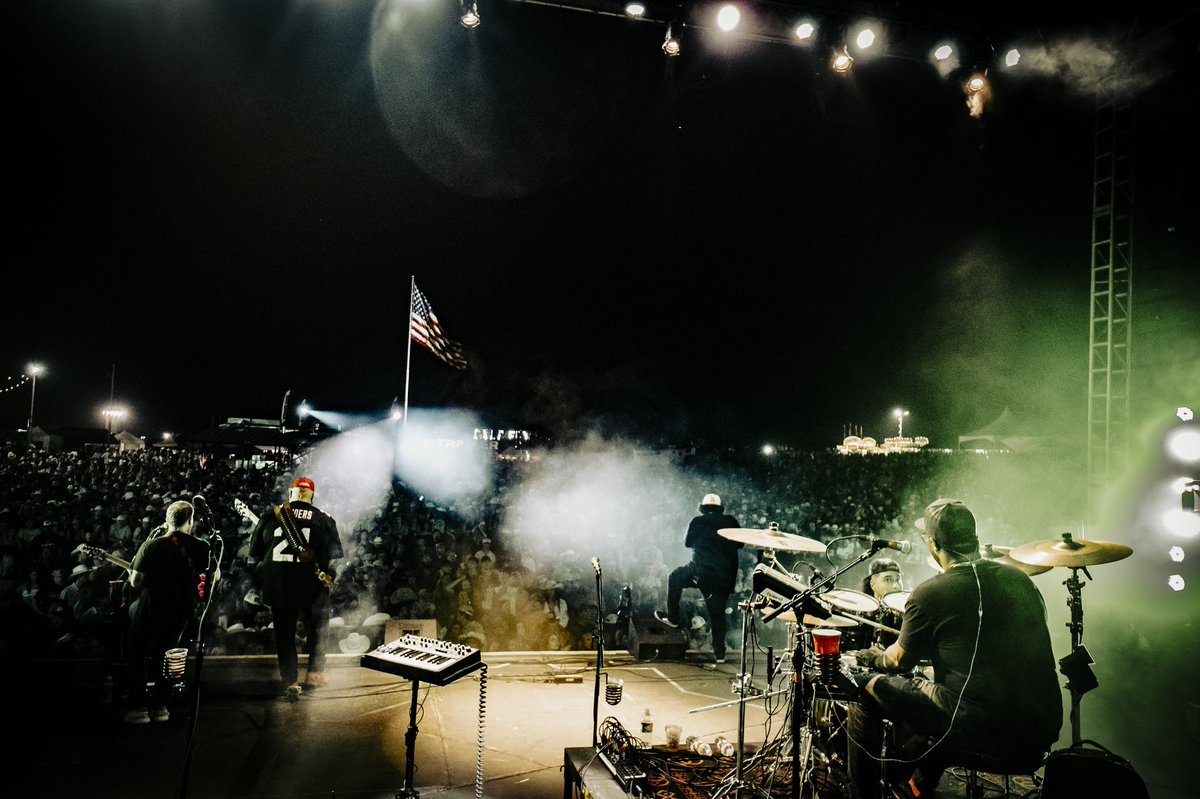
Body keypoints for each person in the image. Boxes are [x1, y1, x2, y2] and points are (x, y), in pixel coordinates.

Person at [845, 499, 1062, 798]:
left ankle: (862, 794)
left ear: (933, 543)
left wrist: (875, 658)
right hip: (1038, 736)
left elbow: (898, 662)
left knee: (864, 686)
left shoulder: (930, 593)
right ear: (975, 537)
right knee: (949, 695)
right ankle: (917, 783)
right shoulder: (1022, 581)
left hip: (982, 734)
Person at [249, 477, 343, 701]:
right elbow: (332, 560)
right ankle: (315, 672)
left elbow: (255, 553)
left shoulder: (271, 516)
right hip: (311, 585)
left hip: (280, 584)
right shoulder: (324, 519)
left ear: (291, 494)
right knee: (318, 625)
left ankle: (290, 681)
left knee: (285, 633)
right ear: (312, 496)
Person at [124, 500, 216, 724]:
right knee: (165, 656)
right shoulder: (202, 547)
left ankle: (139, 709)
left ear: (167, 520)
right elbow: (215, 576)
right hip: (181, 611)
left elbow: (136, 582)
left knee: (136, 654)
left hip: (151, 608)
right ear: (190, 521)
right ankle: (161, 708)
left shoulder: (151, 546)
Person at [655, 493, 742, 664]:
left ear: (703, 508)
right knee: (717, 614)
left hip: (700, 571)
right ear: (719, 508)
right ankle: (720, 654)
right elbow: (740, 544)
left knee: (675, 577)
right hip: (724, 576)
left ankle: (673, 618)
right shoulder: (731, 521)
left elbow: (688, 543)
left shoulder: (697, 521)